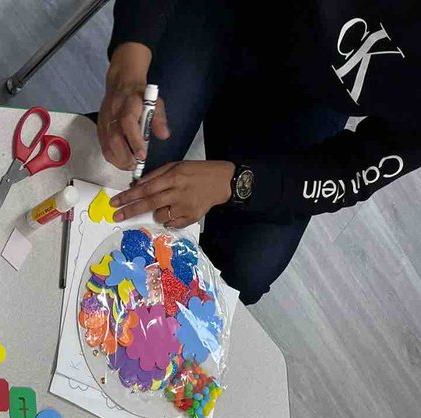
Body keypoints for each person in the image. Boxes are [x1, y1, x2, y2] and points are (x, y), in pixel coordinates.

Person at [97, 2, 420, 304]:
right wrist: (129, 64)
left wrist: (236, 182)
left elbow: (355, 171)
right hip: (219, 11)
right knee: (122, 164)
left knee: (243, 273)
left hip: (307, 96)